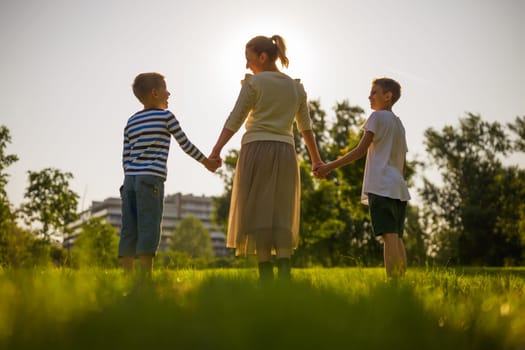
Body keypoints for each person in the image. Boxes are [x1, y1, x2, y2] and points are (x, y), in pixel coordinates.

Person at [209, 35, 323, 283]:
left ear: (262, 57)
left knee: (259, 210)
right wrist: (316, 160)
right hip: (285, 152)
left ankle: (265, 275)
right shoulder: (296, 87)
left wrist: (216, 150)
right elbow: (306, 127)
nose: (247, 65)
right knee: (281, 211)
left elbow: (235, 119)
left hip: (257, 149)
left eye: (249, 59)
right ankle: (284, 272)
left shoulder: (255, 84)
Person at [119, 72, 220, 277]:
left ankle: (127, 277)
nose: (169, 93)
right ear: (155, 93)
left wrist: (129, 179)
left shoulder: (131, 121)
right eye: (166, 89)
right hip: (150, 180)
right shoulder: (166, 116)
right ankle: (144, 278)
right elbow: (185, 144)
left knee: (129, 228)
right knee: (149, 226)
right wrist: (207, 162)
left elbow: (125, 157)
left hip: (129, 181)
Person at [315, 78, 410, 279]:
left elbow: (359, 151)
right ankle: (402, 282)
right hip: (398, 187)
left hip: (381, 186)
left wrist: (328, 167)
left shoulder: (376, 117)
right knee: (398, 236)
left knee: (388, 235)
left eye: (374, 92)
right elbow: (403, 162)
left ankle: (393, 283)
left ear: (388, 96)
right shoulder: (399, 124)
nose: (370, 96)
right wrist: (399, 181)